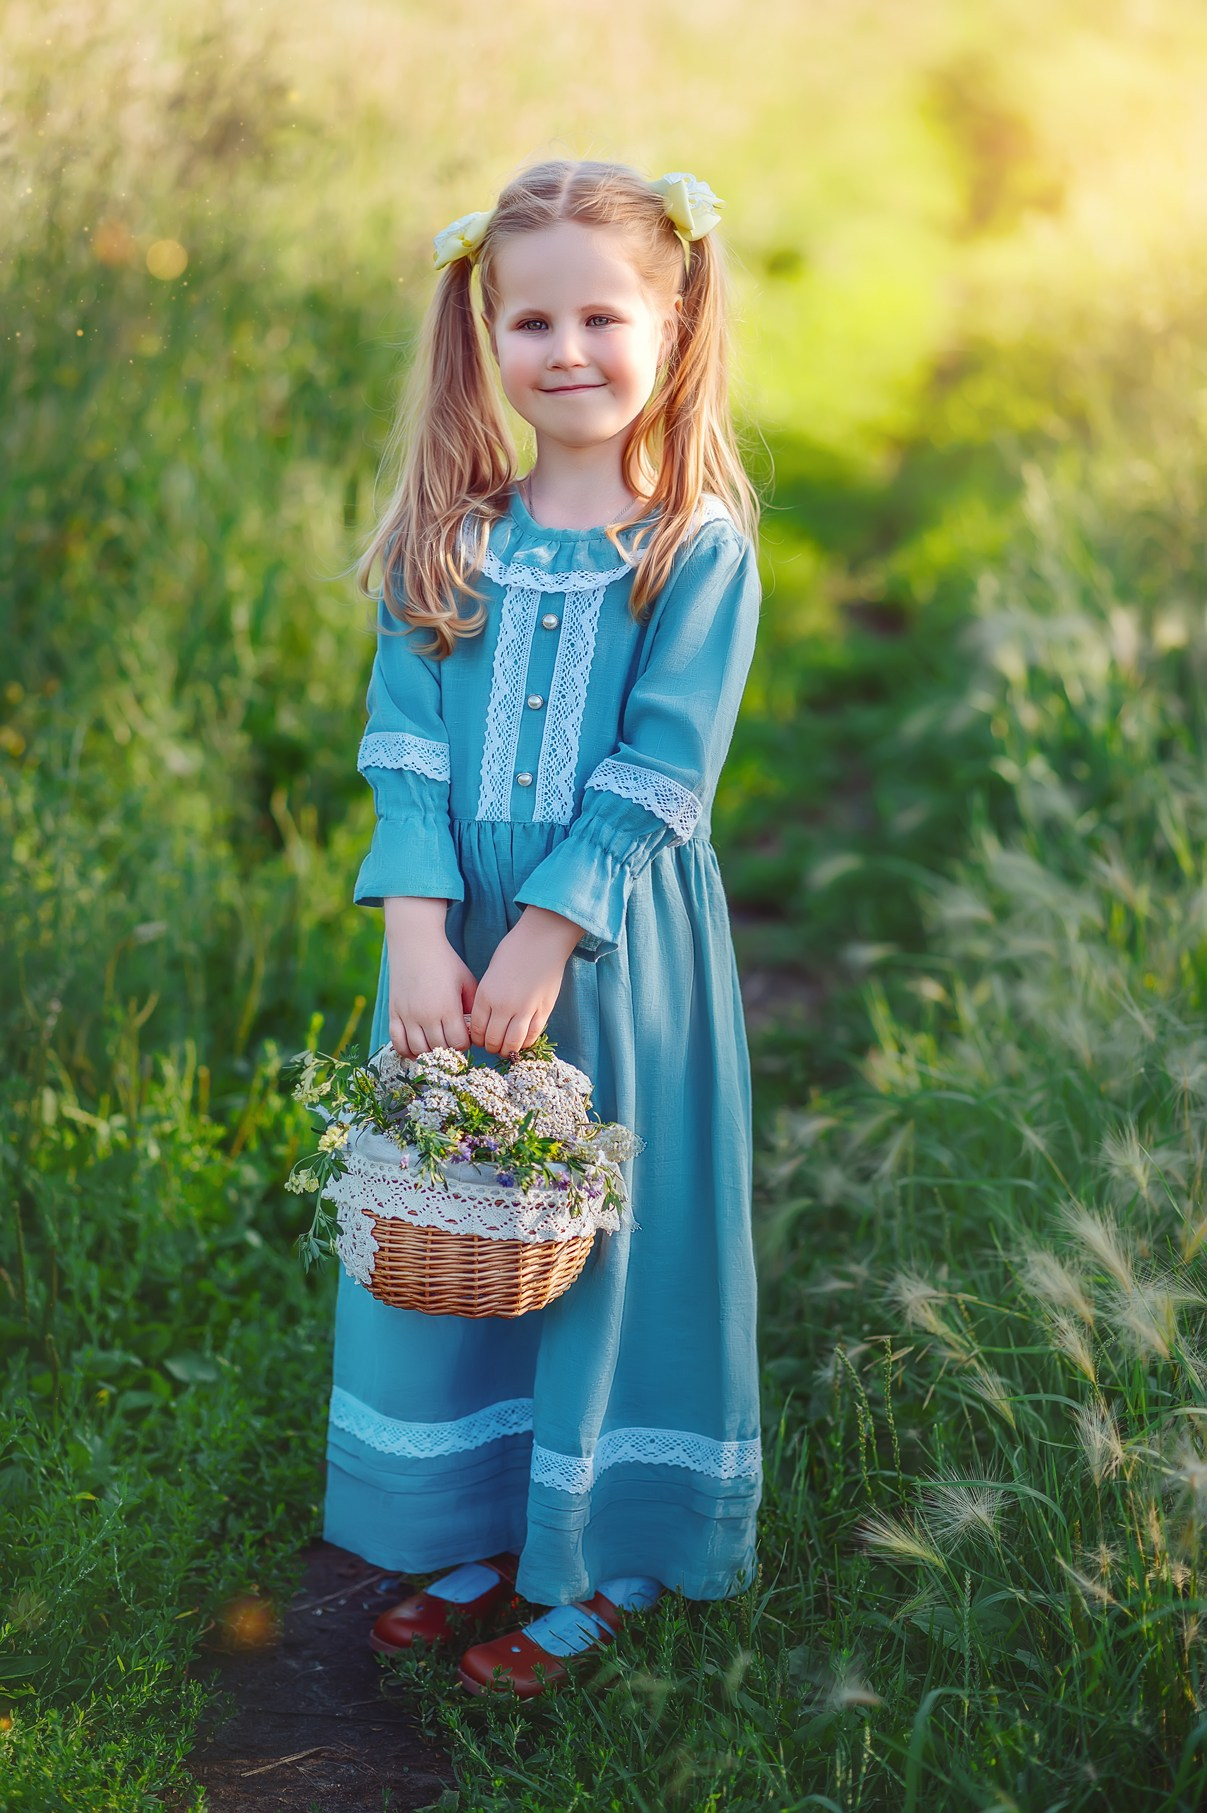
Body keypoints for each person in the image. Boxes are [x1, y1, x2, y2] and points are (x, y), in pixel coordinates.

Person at [324, 157, 764, 1699]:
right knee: (455, 1219)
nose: (566, 350)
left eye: (601, 314)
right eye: (531, 321)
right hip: (453, 940)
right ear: (484, 336)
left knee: (600, 1242)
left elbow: (663, 766)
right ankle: (464, 1519)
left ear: (674, 317)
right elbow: (406, 744)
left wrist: (550, 932)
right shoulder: (450, 535)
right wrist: (418, 928)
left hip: (614, 950)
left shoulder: (691, 548)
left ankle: (606, 1553)